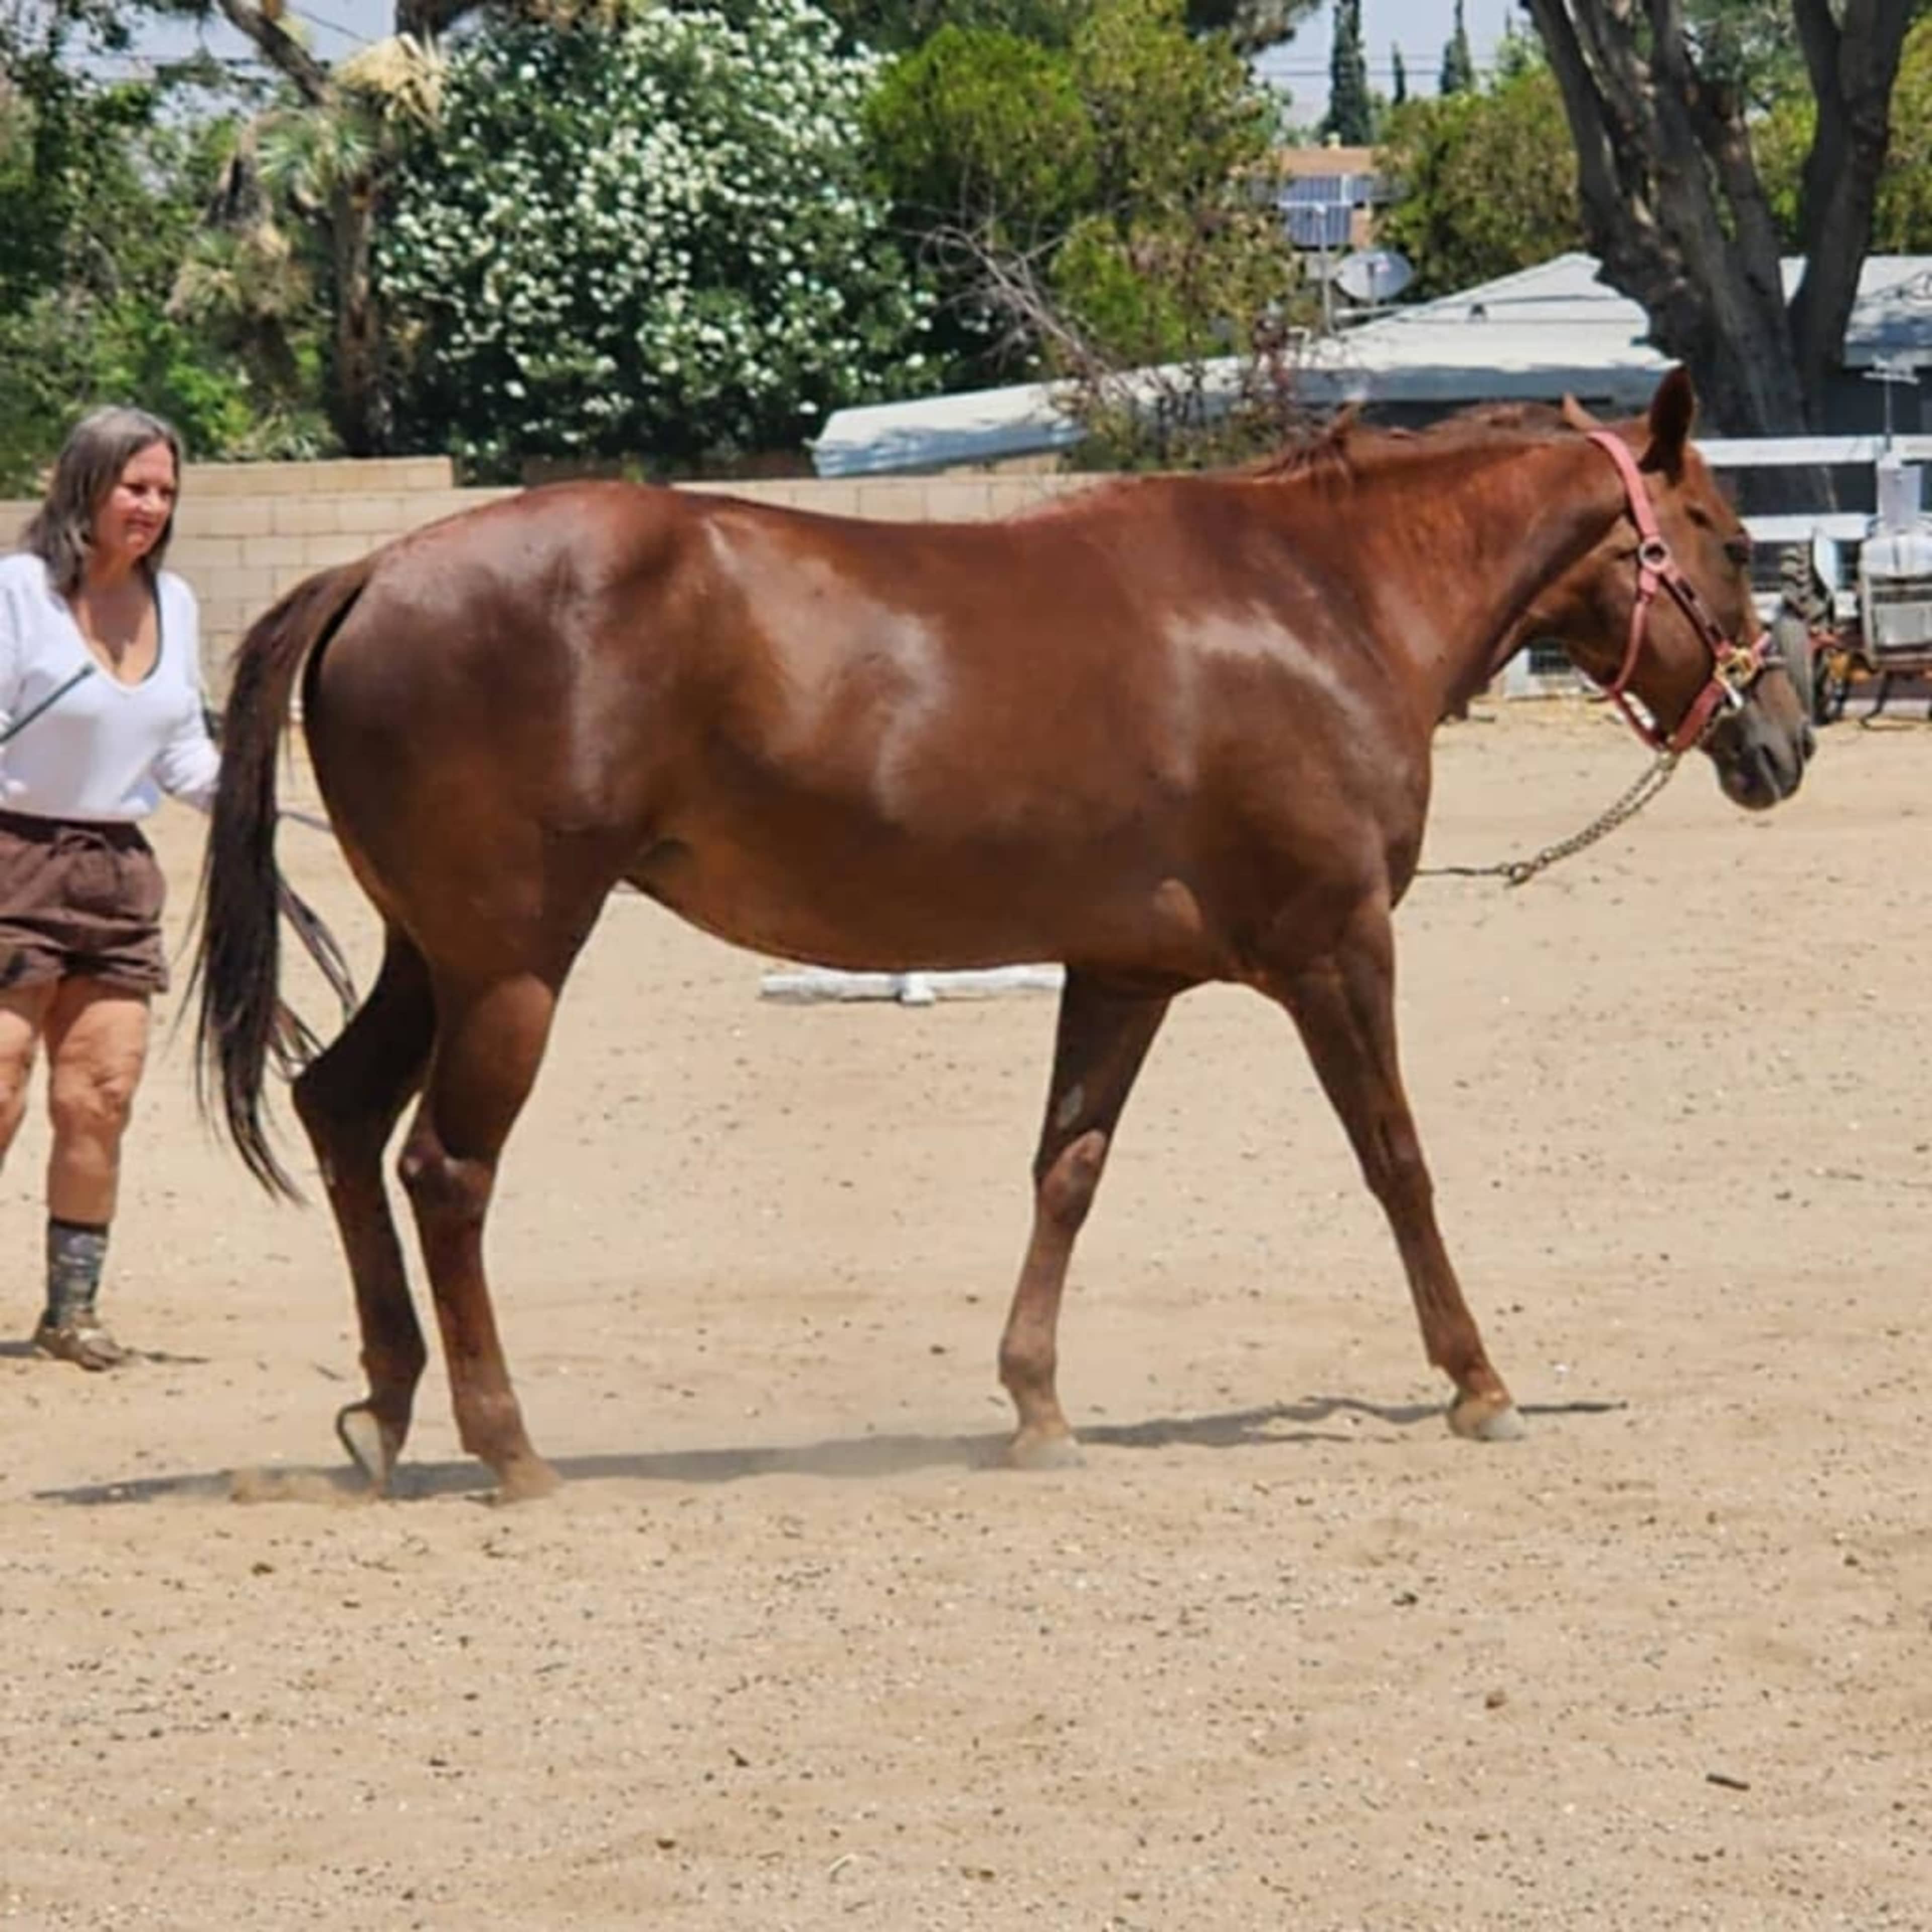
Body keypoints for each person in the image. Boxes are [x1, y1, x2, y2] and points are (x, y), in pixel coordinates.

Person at [0, 407, 219, 1368]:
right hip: (12, 854)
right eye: (136, 486)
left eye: (166, 491)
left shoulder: (177, 605)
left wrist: (246, 803)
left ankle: (70, 1313)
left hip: (117, 872)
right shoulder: (16, 595)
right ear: (83, 486)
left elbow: (179, 750)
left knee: (102, 1095)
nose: (152, 506)